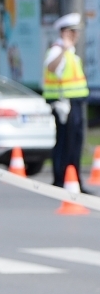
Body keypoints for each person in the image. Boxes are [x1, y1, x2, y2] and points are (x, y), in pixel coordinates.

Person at [43, 13, 90, 190]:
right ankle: (62, 180)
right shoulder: (58, 50)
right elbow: (51, 67)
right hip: (65, 104)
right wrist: (63, 48)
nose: (76, 35)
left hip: (75, 102)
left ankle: (73, 180)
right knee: (67, 142)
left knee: (75, 142)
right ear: (65, 33)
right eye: (73, 32)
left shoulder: (71, 53)